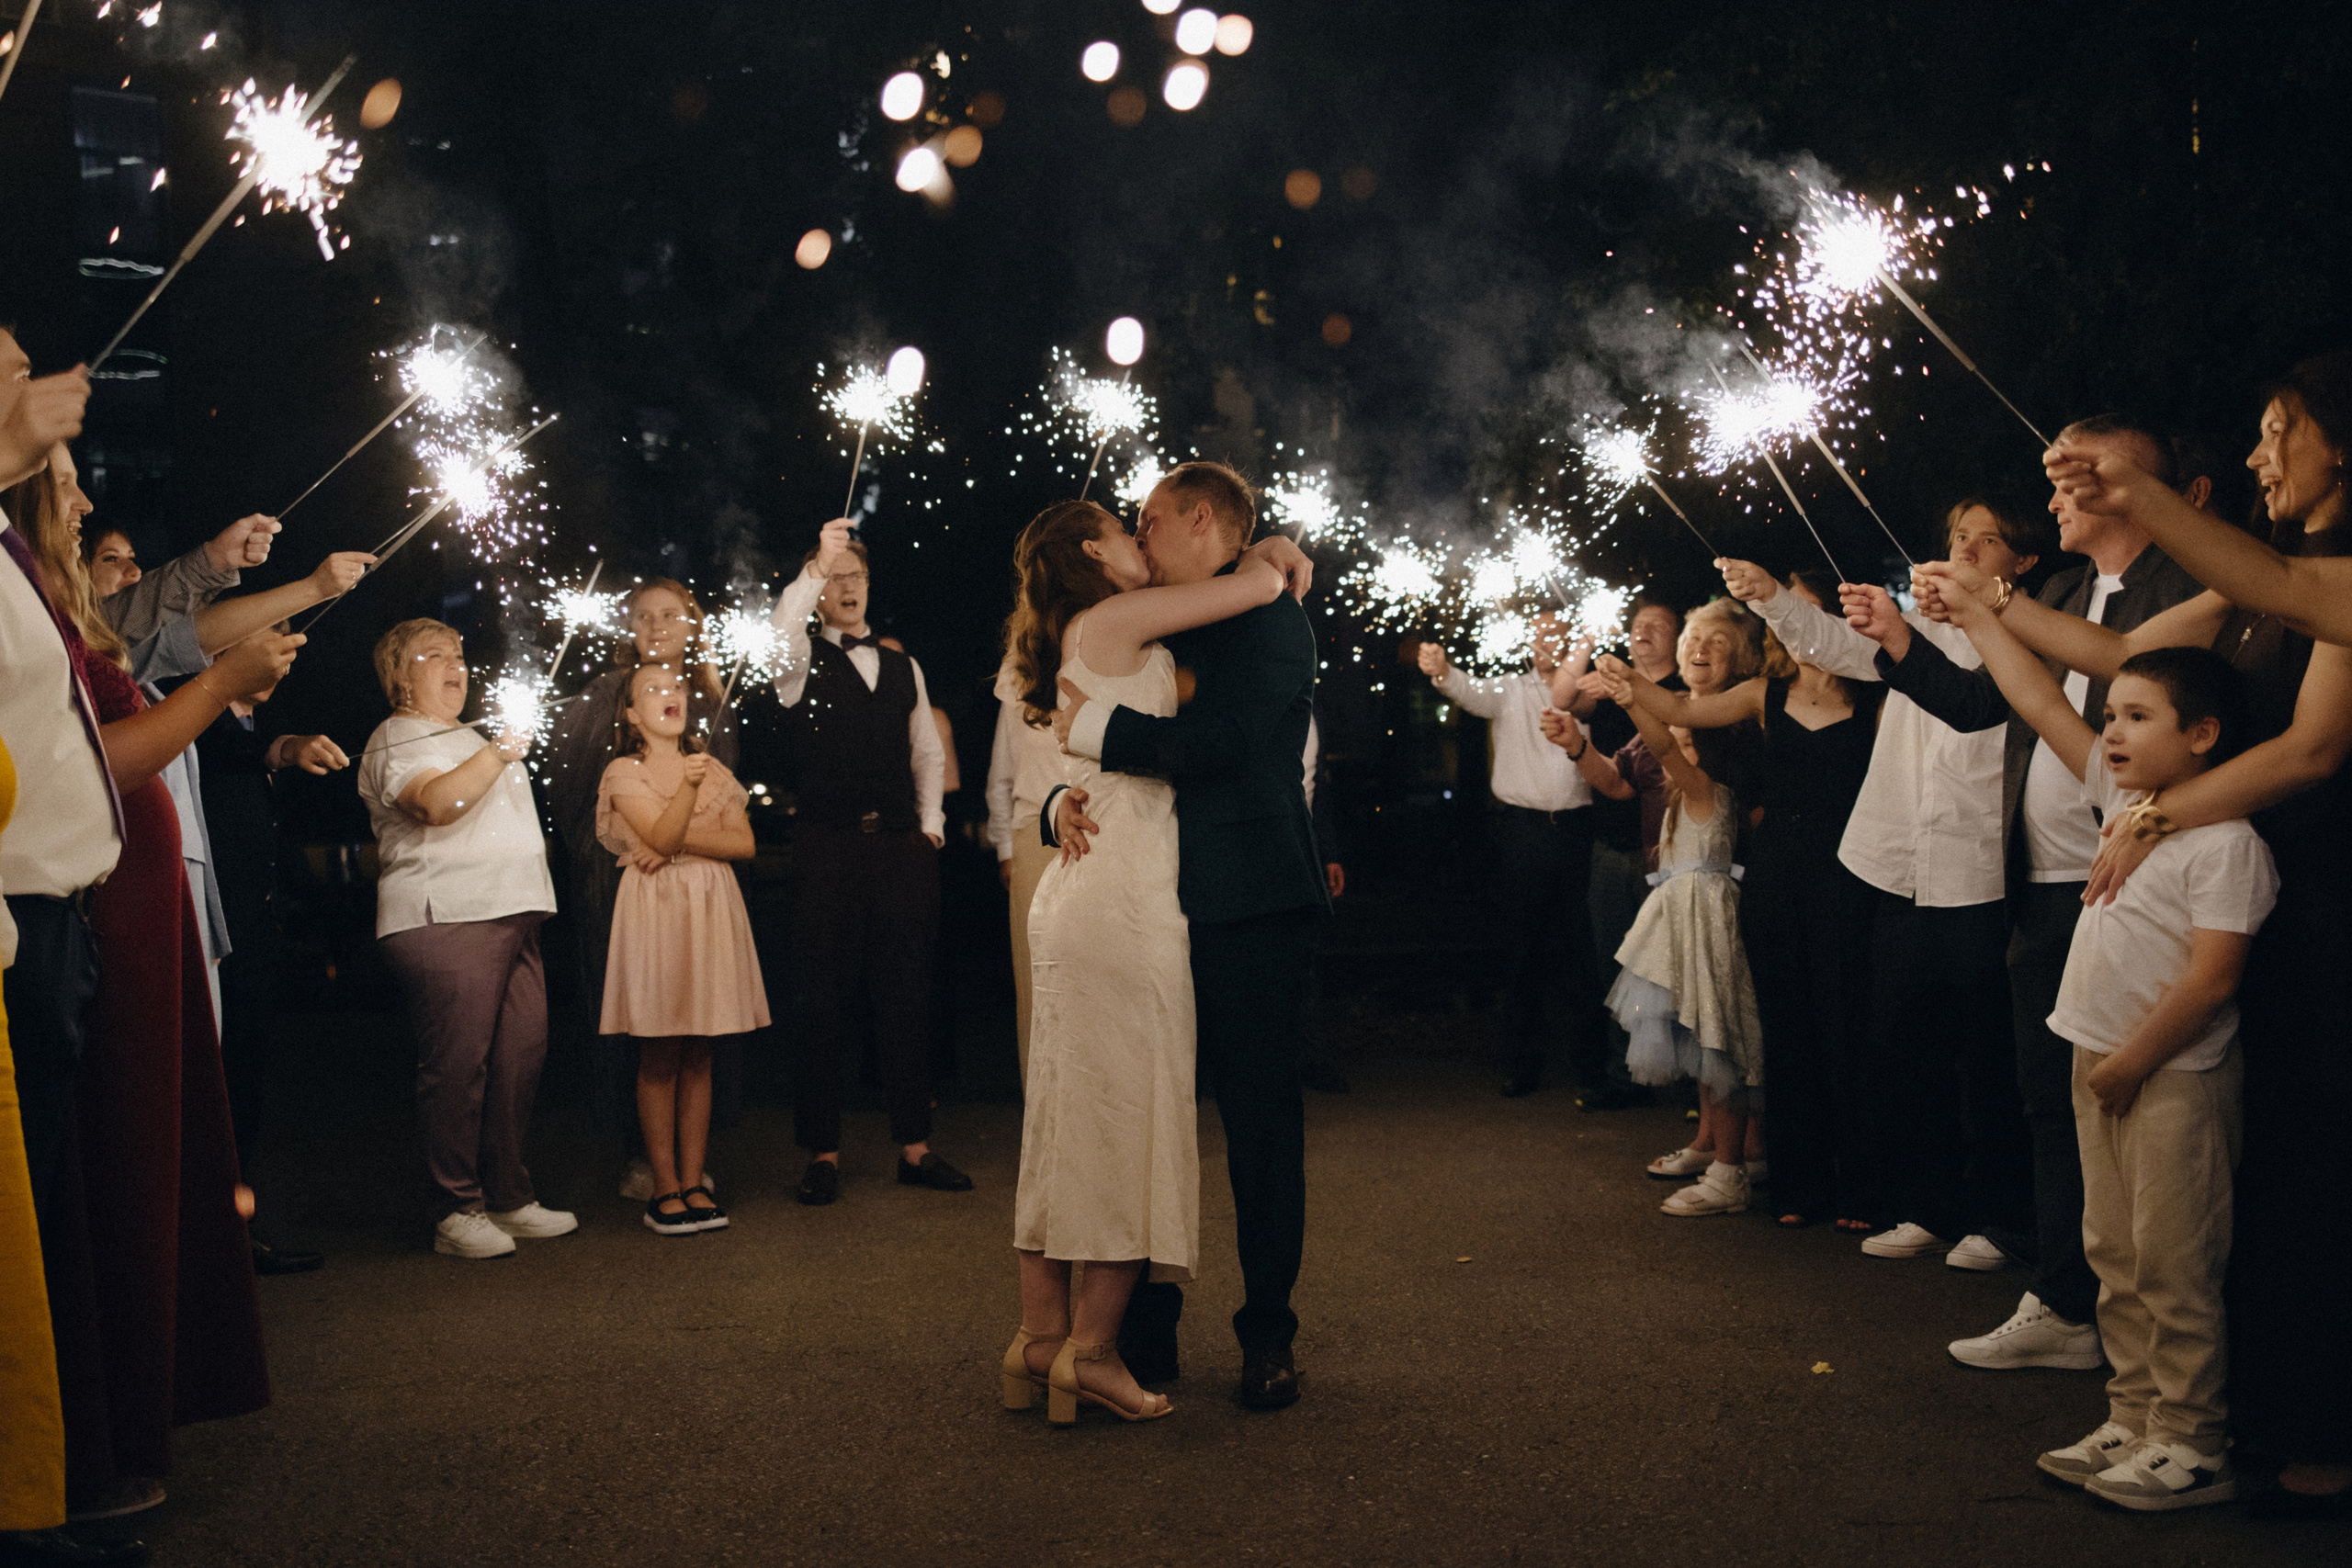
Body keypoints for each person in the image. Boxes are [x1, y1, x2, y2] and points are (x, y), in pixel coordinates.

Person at [1973, 355, 2352, 1517]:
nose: (2255, 455)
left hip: (2319, 899)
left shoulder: (2307, 579)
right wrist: (1984, 603)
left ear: (2339, 440)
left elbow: (2310, 749)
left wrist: (2150, 816)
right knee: (2199, 1212)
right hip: (2260, 897)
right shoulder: (2251, 585)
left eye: (2274, 430)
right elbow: (2103, 665)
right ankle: (2175, 1417)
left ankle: (2276, 1428)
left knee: (2284, 1183)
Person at [1852, 419, 2205, 1367]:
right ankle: (2067, 1299)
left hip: (2138, 881)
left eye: (2070, 476)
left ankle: (2149, 1336)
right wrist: (1902, 639)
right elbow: (1988, 704)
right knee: (2049, 1100)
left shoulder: (2181, 588)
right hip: (2041, 887)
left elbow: (2123, 662)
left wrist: (1986, 604)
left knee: (2144, 1112)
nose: (2049, 494)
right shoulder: (2057, 589)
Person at [1930, 578, 2273, 1512]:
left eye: (2135, 715)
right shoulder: (2122, 805)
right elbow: (2039, 699)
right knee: (2112, 1253)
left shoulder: (2225, 840)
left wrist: (2128, 1062)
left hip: (2170, 1078)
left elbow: (2211, 980)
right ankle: (2131, 1416)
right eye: (2110, 714)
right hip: (2099, 1062)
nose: (2111, 732)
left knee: (2174, 1263)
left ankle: (2193, 1441)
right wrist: (1974, 617)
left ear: (2201, 734)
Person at [996, 497, 1300, 1425]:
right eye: (1125, 527)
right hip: (1124, 901)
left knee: (1069, 1113)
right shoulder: (1125, 616)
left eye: (1150, 519)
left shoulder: (1092, 628)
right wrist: (1275, 555)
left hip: (1140, 892)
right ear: (1094, 552)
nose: (1139, 532)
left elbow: (1221, 741)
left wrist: (1069, 785)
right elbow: (1255, 579)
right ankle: (1092, 1352)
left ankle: (1042, 1343)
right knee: (1126, 1124)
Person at [1723, 502, 2038, 1257]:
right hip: (1895, 863)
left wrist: (1900, 634)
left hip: (1977, 865)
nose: (1962, 547)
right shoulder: (1917, 625)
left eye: (1984, 538)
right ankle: (1925, 1203)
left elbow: (1975, 709)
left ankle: (1999, 1215)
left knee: (1986, 1054)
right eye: (1956, 534)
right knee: (1903, 1042)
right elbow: (1833, 646)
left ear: (2020, 562)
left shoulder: (2028, 632)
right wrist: (1770, 595)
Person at [1611, 572, 1882, 1229]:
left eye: (1811, 612)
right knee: (1784, 1027)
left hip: (1852, 869)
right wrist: (1628, 684)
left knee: (1848, 1026)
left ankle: (1865, 1190)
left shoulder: (1876, 695)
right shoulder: (1766, 693)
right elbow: (1678, 714)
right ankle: (1798, 1185)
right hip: (1777, 875)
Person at [356, 618, 572, 1260]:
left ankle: (507, 1193)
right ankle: (456, 1207)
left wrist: (495, 747)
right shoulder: (397, 736)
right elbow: (437, 804)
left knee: (517, 1060)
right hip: (446, 914)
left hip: (514, 913)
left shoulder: (473, 736)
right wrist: (501, 752)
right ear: (400, 675)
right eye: (434, 655)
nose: (457, 665)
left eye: (459, 654)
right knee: (458, 1068)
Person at [767, 520, 968, 1204]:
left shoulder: (905, 666)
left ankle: (916, 1145)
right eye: (836, 578)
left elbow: (927, 754)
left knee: (907, 995)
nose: (848, 587)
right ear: (820, 592)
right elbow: (780, 627)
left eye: (856, 575)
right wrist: (815, 564)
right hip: (826, 847)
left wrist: (932, 829)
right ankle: (822, 1151)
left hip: (900, 850)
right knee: (821, 999)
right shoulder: (796, 664)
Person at [541, 579, 741, 1204]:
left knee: (696, 1021)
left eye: (670, 615)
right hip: (623, 878)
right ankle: (641, 1157)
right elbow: (572, 794)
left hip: (697, 885)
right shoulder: (603, 695)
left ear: (693, 625)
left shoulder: (712, 697)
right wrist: (618, 854)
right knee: (637, 1019)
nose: (656, 625)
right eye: (643, 616)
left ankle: (692, 1161)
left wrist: (677, 841)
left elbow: (730, 810)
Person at [1586, 653, 1762, 1216]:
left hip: (1708, 919)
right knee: (1702, 1042)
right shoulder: (1677, 801)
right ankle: (1727, 1155)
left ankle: (1732, 1172)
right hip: (1682, 919)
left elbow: (1661, 748)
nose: (1676, 754)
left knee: (1720, 1040)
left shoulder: (1709, 789)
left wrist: (1634, 698)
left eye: (1689, 747)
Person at [1416, 613, 1618, 1102]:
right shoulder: (1509, 689)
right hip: (1521, 832)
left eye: (1559, 634)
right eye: (1541, 633)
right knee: (1521, 950)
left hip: (1576, 831)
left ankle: (1590, 1068)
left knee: (1579, 953)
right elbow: (1468, 691)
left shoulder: (1589, 692)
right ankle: (1518, 1066)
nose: (1549, 640)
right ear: (1528, 642)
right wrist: (1440, 671)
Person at [596, 666, 768, 1235]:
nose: (669, 696)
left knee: (700, 1050)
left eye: (675, 687)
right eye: (652, 691)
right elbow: (662, 836)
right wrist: (671, 834)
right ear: (630, 714)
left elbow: (742, 843)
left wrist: (667, 844)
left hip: (708, 907)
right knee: (660, 1051)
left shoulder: (711, 766)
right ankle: (663, 1187)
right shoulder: (625, 770)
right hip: (658, 912)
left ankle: (695, 1181)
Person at [196, 666, 345, 1276]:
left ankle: (235, 1229)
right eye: (272, 638)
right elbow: (231, 750)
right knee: (222, 1081)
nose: (288, 655)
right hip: (216, 934)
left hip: (255, 929)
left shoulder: (250, 723)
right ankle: (216, 1241)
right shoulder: (201, 720)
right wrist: (286, 747)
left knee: (246, 1081)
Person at [986, 657, 1070, 1080]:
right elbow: (1002, 776)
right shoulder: (1020, 679)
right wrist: (1005, 849)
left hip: (1103, 837)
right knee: (1039, 983)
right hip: (1035, 839)